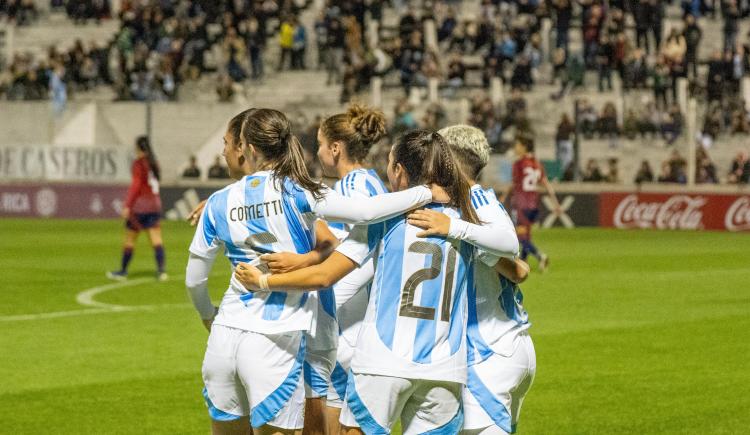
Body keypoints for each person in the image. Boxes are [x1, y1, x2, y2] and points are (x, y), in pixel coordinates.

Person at [234, 130, 519, 434]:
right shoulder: (464, 216)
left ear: (399, 170)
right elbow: (511, 249)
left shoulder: (386, 218)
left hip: (381, 364)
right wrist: (455, 227)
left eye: (390, 165)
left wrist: (264, 282)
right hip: (445, 369)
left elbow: (327, 276)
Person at [185, 109, 443, 435]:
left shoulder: (223, 200)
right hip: (282, 333)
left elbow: (194, 278)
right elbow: (355, 221)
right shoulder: (300, 191)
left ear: (247, 148)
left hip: (235, 334)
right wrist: (427, 192)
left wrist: (209, 314)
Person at [405, 125, 535, 435]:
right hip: (510, 344)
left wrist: (453, 228)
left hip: (487, 350)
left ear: (447, 158)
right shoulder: (469, 205)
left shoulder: (474, 201)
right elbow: (518, 270)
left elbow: (509, 242)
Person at [107, 136, 166, 281]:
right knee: (156, 239)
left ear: (138, 148)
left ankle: (123, 271)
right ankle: (161, 272)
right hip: (155, 205)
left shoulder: (139, 164)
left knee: (130, 239)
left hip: (141, 207)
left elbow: (136, 185)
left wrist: (127, 205)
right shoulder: (154, 163)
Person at [501, 136, 561, 272]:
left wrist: (504, 196)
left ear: (524, 147)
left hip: (521, 206)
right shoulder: (538, 164)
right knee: (526, 236)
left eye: (517, 145)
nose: (515, 148)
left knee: (520, 237)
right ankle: (522, 263)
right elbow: (546, 184)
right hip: (533, 206)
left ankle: (541, 256)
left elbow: (514, 183)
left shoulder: (519, 164)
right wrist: (555, 203)